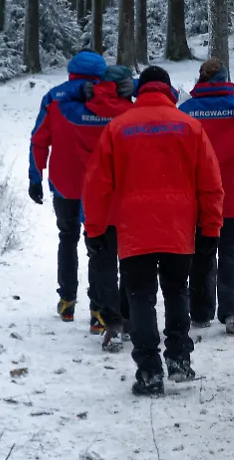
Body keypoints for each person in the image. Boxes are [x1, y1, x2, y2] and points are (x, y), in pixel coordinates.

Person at [83, 66, 224, 396]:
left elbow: (96, 186)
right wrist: (211, 226)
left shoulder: (119, 128)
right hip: (178, 226)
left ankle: (148, 370)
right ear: (169, 90)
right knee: (177, 291)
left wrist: (96, 230)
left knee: (140, 296)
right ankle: (179, 360)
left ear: (138, 92)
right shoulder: (190, 127)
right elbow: (211, 183)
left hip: (135, 228)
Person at [56, 65, 136, 351]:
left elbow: (60, 101)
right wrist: (137, 87)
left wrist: (80, 91)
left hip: (95, 202)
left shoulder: (79, 112)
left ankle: (107, 320)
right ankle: (128, 319)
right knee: (129, 264)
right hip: (127, 203)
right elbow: (167, 101)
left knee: (101, 263)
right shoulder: (132, 116)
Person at [178, 58, 234, 334]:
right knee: (233, 254)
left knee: (200, 254)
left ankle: (199, 313)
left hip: (198, 197)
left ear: (201, 79)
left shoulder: (185, 112)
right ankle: (233, 313)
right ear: (225, 79)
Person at [29, 50, 107, 327]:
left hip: (64, 185)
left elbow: (39, 140)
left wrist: (35, 176)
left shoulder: (54, 98)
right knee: (99, 247)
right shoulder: (110, 99)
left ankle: (67, 302)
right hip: (102, 187)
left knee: (67, 238)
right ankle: (99, 311)